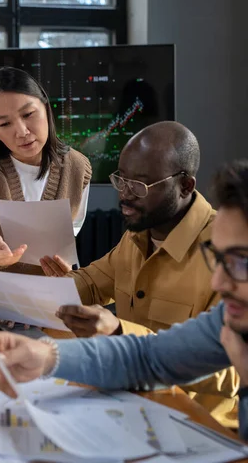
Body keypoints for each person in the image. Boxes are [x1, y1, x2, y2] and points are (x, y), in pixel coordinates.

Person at [0, 159, 248, 441]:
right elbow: (149, 357)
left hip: (204, 425)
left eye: (240, 262)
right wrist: (46, 356)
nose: (218, 280)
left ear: (184, 186)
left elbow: (222, 377)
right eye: (218, 258)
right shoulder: (228, 319)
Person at [39, 121, 238, 427]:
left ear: (185, 186)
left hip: (194, 421)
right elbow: (91, 282)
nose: (124, 194)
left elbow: (229, 372)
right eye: (122, 179)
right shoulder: (138, 234)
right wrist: (33, 294)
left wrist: (119, 332)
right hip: (130, 404)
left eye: (140, 185)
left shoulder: (226, 252)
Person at [0, 66, 92, 291]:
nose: (22, 131)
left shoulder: (77, 168)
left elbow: (70, 233)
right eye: (4, 124)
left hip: (43, 298)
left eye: (28, 114)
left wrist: (62, 266)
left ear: (46, 107)